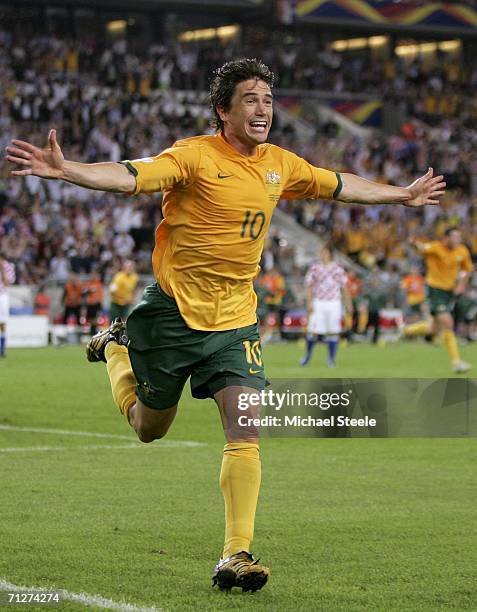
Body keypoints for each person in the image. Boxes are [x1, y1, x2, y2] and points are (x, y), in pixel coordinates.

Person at [6, 58, 446, 593]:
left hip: (235, 320)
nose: (263, 108)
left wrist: (401, 194)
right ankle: (118, 349)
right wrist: (71, 169)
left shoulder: (279, 163)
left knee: (245, 429)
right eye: (251, 99)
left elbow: (339, 185)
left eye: (267, 98)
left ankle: (235, 554)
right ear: (224, 110)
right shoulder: (193, 156)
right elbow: (129, 176)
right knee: (149, 428)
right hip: (172, 315)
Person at [403, 227, 473, 372]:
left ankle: (406, 330)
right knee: (448, 322)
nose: (457, 240)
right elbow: (421, 248)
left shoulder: (462, 251)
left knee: (434, 328)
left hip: (449, 292)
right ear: (446, 238)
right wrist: (414, 243)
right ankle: (456, 362)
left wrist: (461, 285)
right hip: (435, 290)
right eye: (454, 237)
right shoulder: (435, 247)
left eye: (459, 237)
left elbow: (468, 270)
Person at [300, 243, 351, 367]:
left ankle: (331, 359)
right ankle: (308, 354)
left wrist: (348, 304)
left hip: (334, 302)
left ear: (329, 253)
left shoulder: (338, 269)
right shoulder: (314, 268)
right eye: (320, 251)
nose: (321, 254)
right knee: (313, 330)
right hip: (319, 302)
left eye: (323, 251)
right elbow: (309, 286)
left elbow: (344, 287)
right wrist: (309, 302)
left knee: (333, 331)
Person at [0, 254, 16, 357]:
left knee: (2, 323)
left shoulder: (7, 266)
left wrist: (2, 271)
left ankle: (2, 349)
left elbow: (8, 283)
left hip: (2, 296)